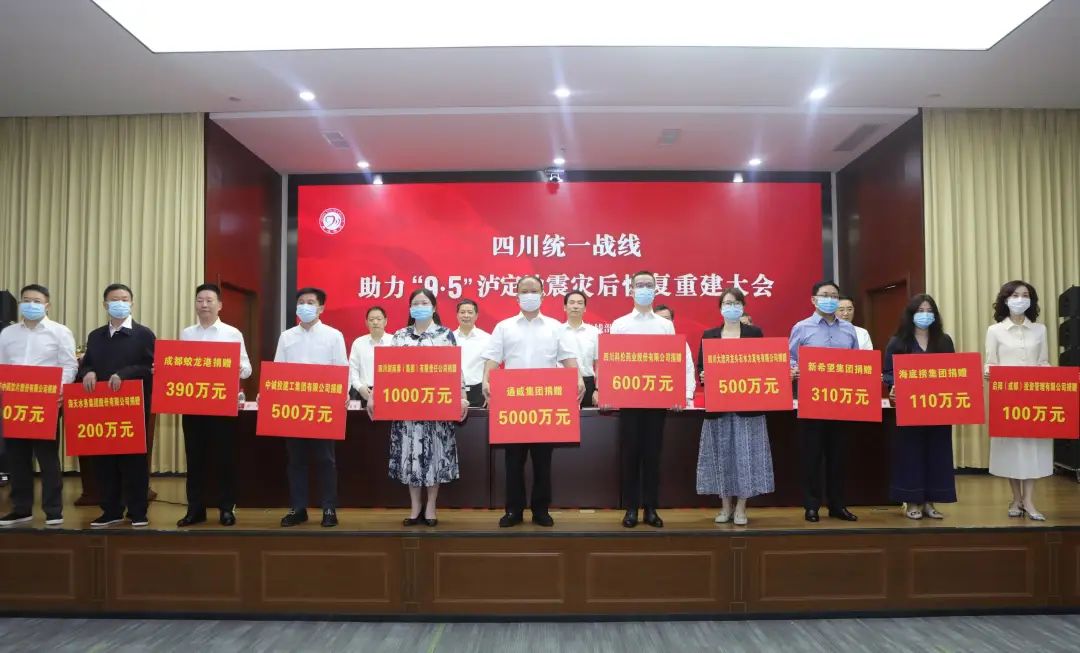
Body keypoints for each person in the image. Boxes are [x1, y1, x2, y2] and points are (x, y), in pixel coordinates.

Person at [482, 275, 583, 528]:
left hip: (544, 403)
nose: (529, 295)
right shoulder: (504, 327)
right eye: (524, 291)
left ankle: (541, 510)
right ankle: (513, 511)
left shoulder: (555, 327)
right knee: (513, 461)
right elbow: (493, 358)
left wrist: (579, 378)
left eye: (534, 291)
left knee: (543, 461)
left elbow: (568, 357)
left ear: (543, 295)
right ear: (517, 296)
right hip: (512, 403)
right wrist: (486, 380)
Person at [369, 289, 469, 527]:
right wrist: (374, 395)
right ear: (409, 308)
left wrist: (462, 396)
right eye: (416, 303)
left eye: (425, 303)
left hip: (437, 408)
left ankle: (431, 506)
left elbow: (455, 369)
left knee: (435, 456)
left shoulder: (445, 335)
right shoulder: (400, 336)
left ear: (434, 307)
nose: (420, 306)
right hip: (407, 409)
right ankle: (415, 507)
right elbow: (387, 371)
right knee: (410, 456)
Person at [604, 271, 695, 529]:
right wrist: (608, 392)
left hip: (656, 400)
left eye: (648, 285)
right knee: (630, 455)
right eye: (639, 285)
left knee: (653, 456)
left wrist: (677, 394)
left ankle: (651, 509)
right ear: (631, 290)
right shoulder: (620, 324)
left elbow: (673, 360)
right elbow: (612, 361)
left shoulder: (664, 325)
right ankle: (631, 509)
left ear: (655, 290)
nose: (644, 289)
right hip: (629, 400)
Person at [77, 283, 156, 528]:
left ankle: (138, 511)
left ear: (132, 303)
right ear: (105, 304)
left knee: (134, 461)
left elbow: (151, 368)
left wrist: (124, 374)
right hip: (102, 407)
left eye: (124, 299)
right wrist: (88, 372)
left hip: (133, 406)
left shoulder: (144, 334)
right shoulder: (96, 336)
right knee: (104, 461)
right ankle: (111, 510)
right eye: (114, 299)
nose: (119, 303)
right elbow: (87, 363)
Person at [0, 284, 78, 527]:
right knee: (17, 457)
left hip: (47, 401)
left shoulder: (59, 332)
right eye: (26, 300)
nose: (30, 305)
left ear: (47, 305)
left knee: (47, 457)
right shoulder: (8, 333)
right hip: (15, 402)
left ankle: (53, 510)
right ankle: (21, 509)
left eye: (36, 301)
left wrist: (61, 390)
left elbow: (69, 364)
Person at [695, 287, 774, 526]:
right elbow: (701, 368)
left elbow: (763, 365)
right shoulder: (709, 335)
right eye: (727, 303)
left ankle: (741, 507)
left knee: (745, 455)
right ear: (720, 308)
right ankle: (725, 506)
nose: (732, 307)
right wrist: (704, 375)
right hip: (719, 406)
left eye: (736, 303)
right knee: (722, 456)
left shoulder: (754, 333)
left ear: (743, 307)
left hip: (747, 406)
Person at [176, 283, 252, 528]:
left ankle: (226, 509)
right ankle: (195, 509)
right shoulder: (187, 333)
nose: (204, 305)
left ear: (219, 305)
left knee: (224, 459)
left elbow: (247, 369)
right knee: (194, 459)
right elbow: (181, 367)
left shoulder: (232, 333)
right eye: (200, 300)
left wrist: (238, 368)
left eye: (209, 300)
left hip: (222, 406)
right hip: (194, 405)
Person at [275, 287, 349, 528]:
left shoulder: (333, 335)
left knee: (325, 459)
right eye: (301, 302)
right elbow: (278, 369)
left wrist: (342, 395)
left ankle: (328, 507)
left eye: (310, 302)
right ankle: (298, 508)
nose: (304, 306)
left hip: (323, 407)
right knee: (296, 460)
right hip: (294, 408)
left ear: (321, 308)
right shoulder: (286, 336)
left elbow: (342, 369)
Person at [788, 280, 860, 523]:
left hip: (841, 402)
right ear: (814, 299)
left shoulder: (848, 330)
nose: (830, 299)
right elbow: (790, 358)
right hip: (812, 402)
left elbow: (857, 363)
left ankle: (837, 505)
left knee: (838, 456)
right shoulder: (801, 328)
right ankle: (811, 505)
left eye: (834, 296)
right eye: (825, 295)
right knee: (812, 456)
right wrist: (793, 369)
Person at [882, 294, 957, 520]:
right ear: (911, 314)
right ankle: (912, 501)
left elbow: (954, 371)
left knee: (937, 453)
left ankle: (930, 502)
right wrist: (893, 386)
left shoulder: (944, 341)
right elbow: (888, 372)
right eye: (920, 311)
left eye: (929, 311)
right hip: (910, 409)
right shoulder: (898, 342)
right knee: (911, 454)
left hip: (938, 408)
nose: (925, 315)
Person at [985, 280, 1052, 521]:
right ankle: (1015, 498)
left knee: (1033, 449)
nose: (1020, 299)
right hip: (1007, 399)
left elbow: (1043, 362)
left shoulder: (1040, 330)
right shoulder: (995, 330)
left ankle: (1029, 500)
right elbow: (990, 362)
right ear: (1005, 300)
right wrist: (988, 372)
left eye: (1025, 295)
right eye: (1014, 295)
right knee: (1011, 450)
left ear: (1031, 301)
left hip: (1035, 399)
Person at [561, 290, 599, 408]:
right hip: (561, 383)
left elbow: (599, 364)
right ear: (565, 307)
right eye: (572, 302)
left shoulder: (594, 332)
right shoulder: (556, 331)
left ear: (585, 308)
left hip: (588, 383)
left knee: (588, 419)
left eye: (580, 303)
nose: (575, 306)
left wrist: (598, 389)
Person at [348, 306, 391, 406]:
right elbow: (352, 370)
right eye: (371, 320)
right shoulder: (358, 343)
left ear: (385, 321)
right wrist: (359, 387)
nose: (375, 322)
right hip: (363, 392)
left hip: (388, 393)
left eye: (379, 319)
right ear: (366, 323)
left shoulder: (394, 341)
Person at [453, 299, 490, 408]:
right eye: (462, 312)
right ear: (457, 315)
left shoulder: (487, 338)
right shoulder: (449, 338)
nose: (466, 315)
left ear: (476, 315)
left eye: (470, 312)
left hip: (479, 391)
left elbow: (491, 367)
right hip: (454, 391)